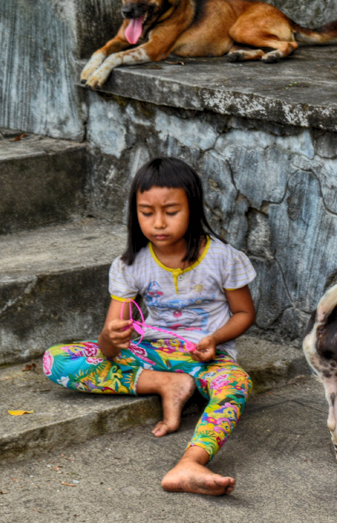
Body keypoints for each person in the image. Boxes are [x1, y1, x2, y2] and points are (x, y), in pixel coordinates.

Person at [42, 157, 256, 495]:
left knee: (237, 383)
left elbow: (244, 313)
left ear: (193, 208)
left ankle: (192, 462)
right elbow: (110, 345)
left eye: (171, 212)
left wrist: (215, 338)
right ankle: (166, 384)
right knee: (56, 360)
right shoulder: (129, 265)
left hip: (206, 359)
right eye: (146, 212)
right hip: (152, 354)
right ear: (135, 212)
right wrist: (107, 338)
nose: (158, 223)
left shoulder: (222, 258)